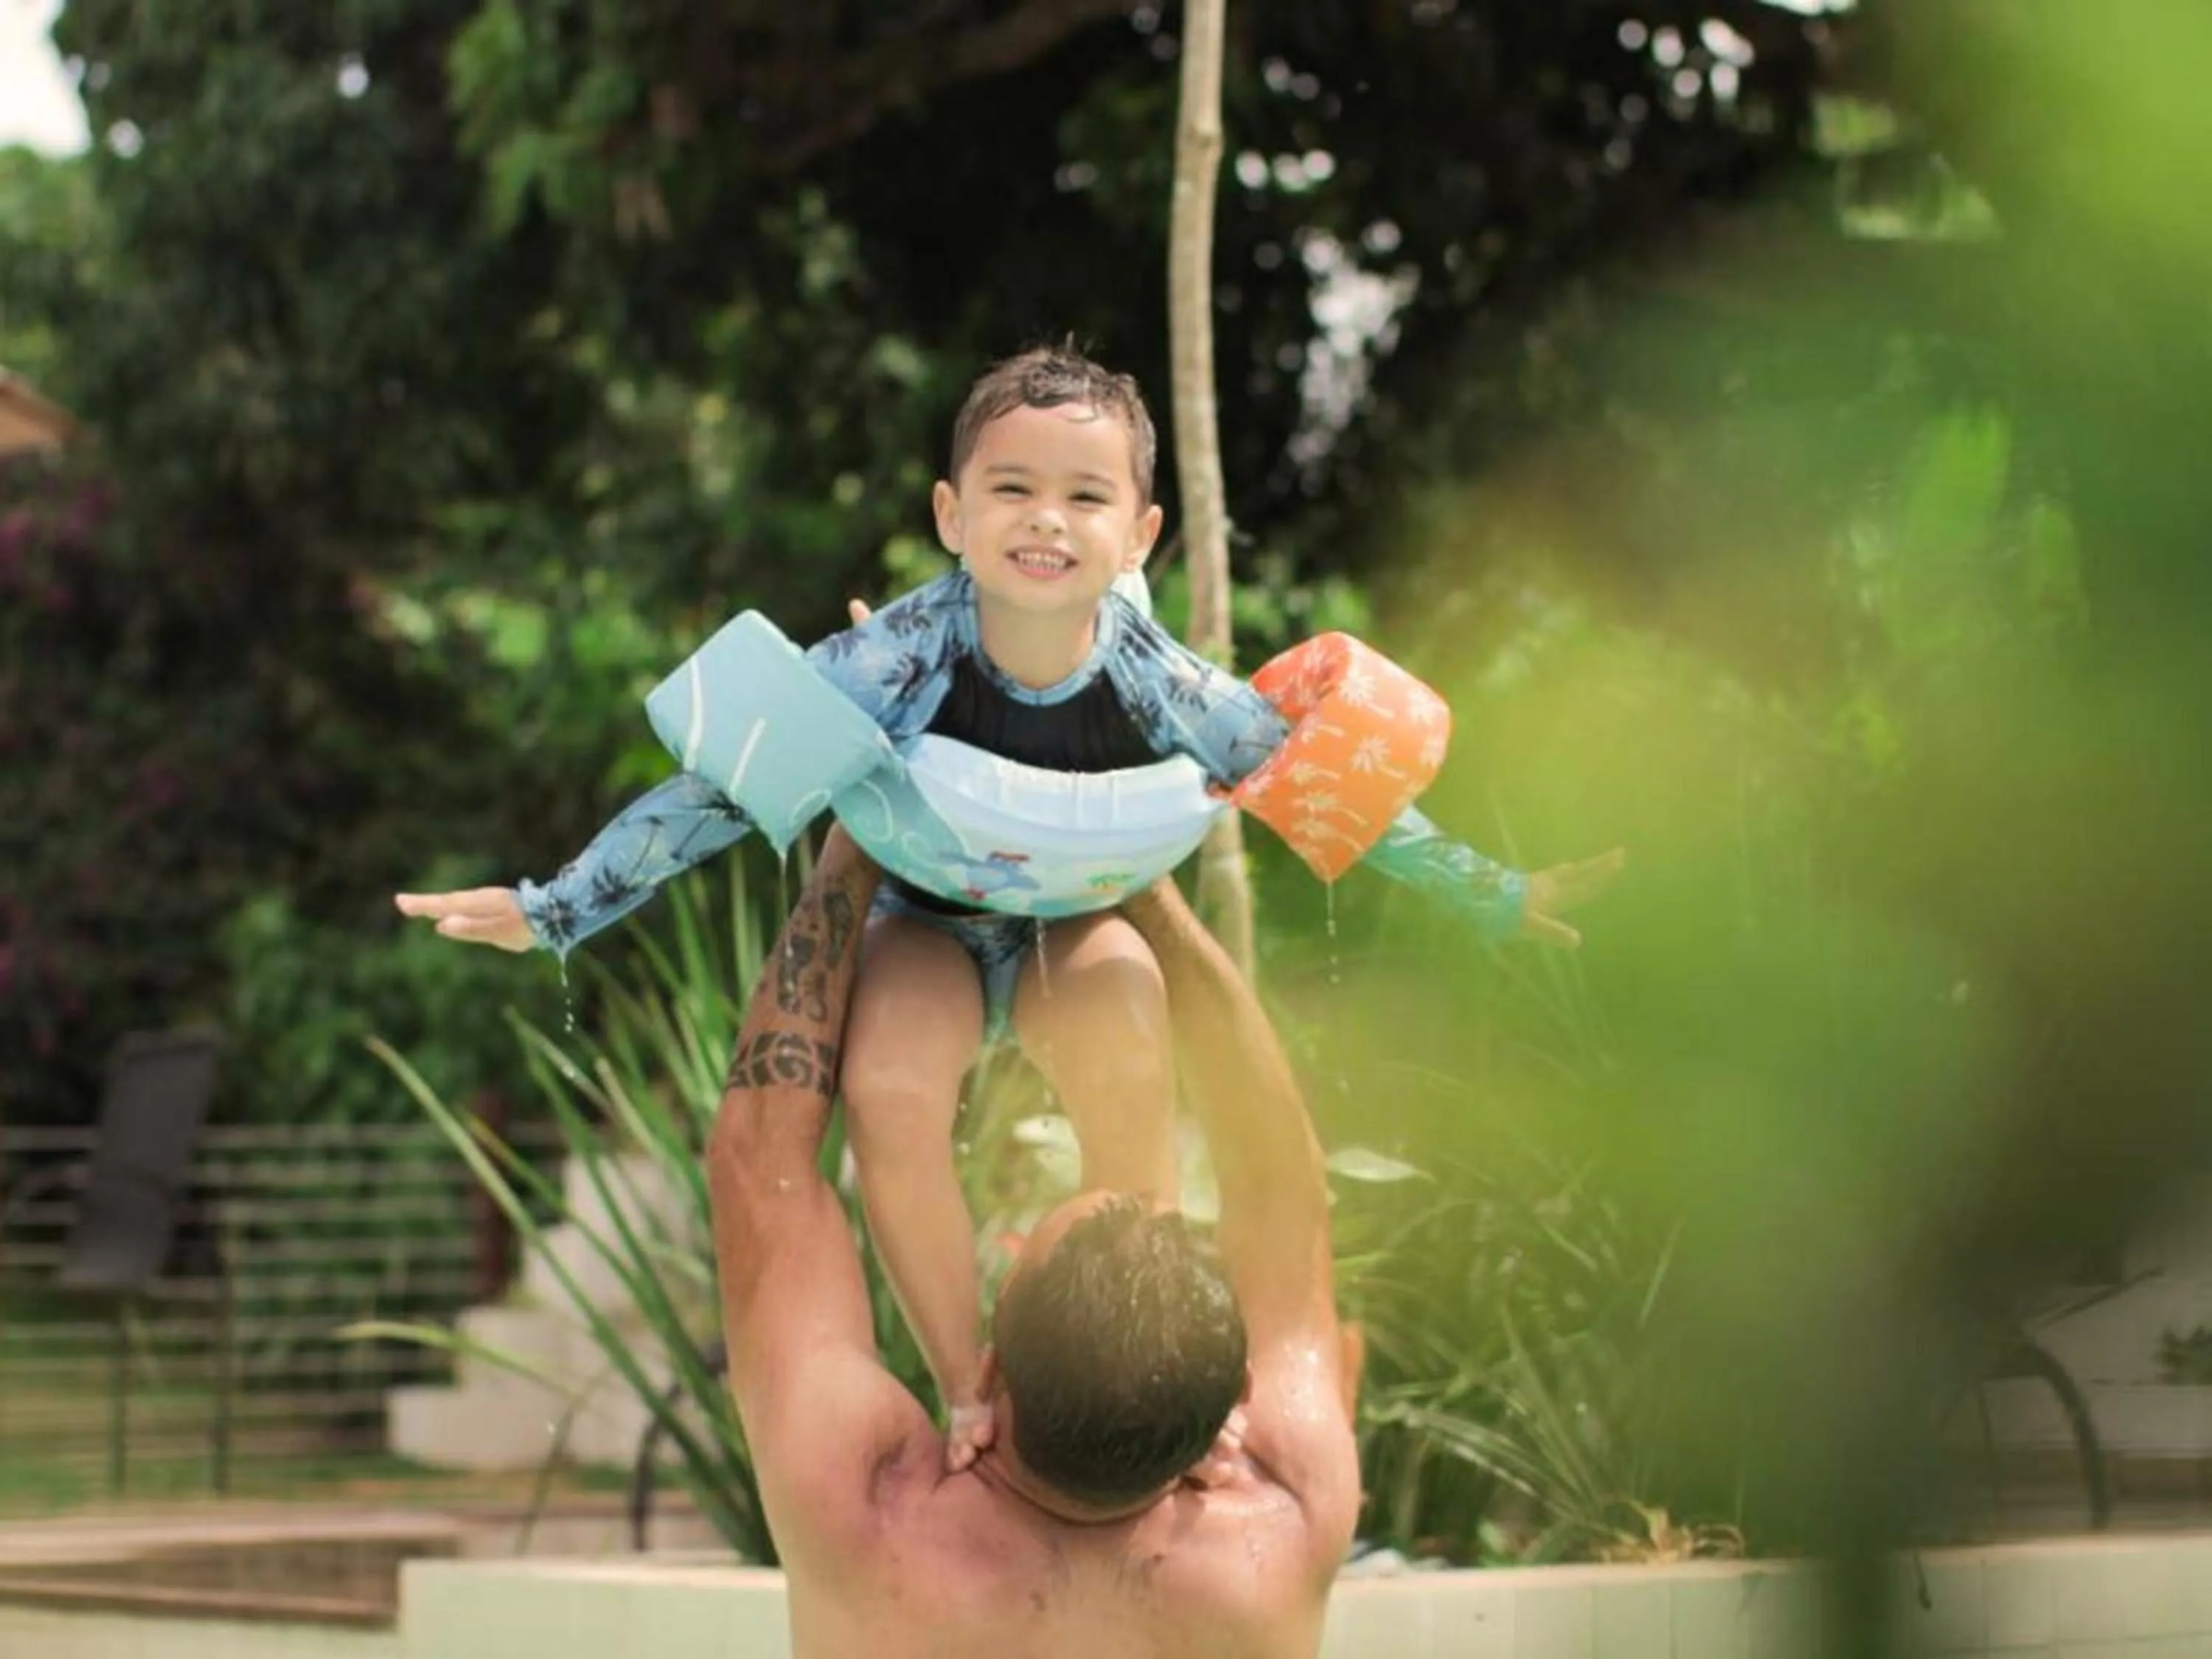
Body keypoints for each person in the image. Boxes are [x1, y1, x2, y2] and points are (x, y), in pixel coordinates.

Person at [397, 342, 1623, 1463]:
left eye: (1086, 497)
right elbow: (718, 793)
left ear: (1138, 533)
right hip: (925, 920)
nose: (1047, 520)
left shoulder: (1162, 681)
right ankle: (968, 1389)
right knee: (887, 1087)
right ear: (952, 514)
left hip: (1072, 926)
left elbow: (1324, 785)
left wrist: (1496, 897)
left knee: (1126, 1036)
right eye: (1012, 489)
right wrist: (554, 906)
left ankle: (1132, 1371)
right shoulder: (897, 660)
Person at [712, 825, 1364, 1658]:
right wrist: (1146, 891)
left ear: (988, 1371)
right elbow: (1284, 1188)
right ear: (1236, 1395)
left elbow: (757, 1162)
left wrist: (854, 850)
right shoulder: (1282, 1525)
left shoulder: (872, 1522)